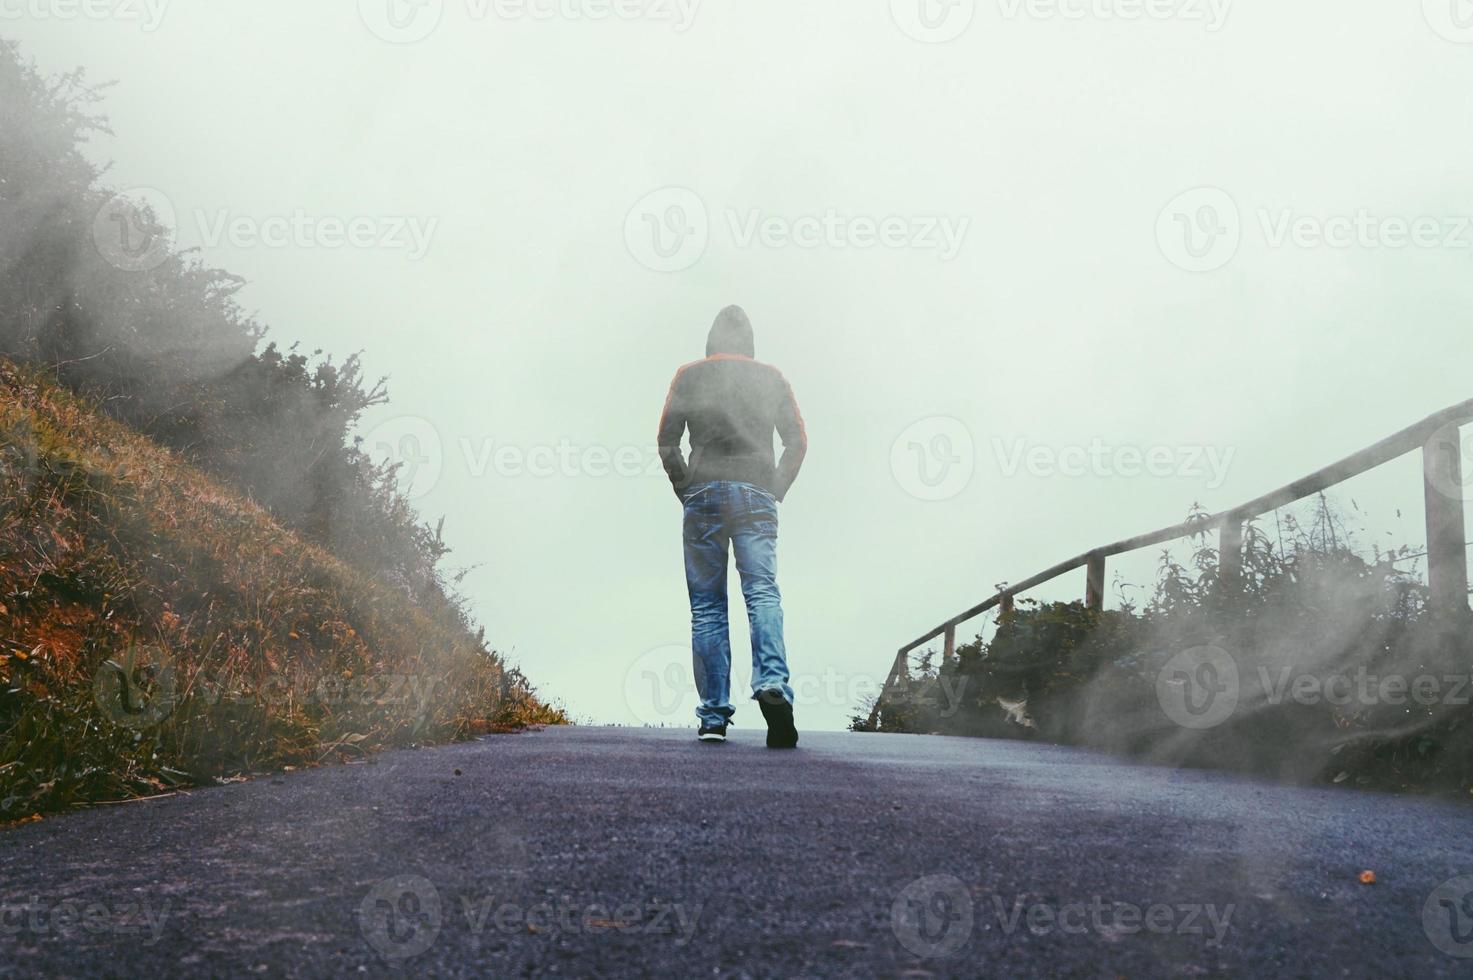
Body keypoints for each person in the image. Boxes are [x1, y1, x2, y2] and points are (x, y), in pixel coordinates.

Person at [657, 305, 807, 747]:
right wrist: (775, 485)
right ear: (750, 343)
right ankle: (772, 683)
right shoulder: (773, 378)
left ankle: (713, 717)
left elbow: (667, 440)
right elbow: (797, 440)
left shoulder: (688, 375)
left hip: (703, 493)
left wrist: (686, 487)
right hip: (756, 492)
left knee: (707, 607)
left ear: (711, 340)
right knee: (761, 590)